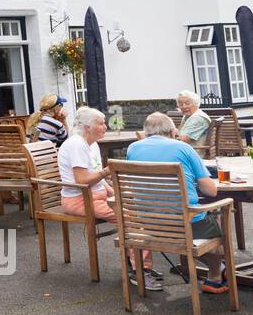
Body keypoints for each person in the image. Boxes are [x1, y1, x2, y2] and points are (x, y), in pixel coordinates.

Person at [126, 112, 229, 294]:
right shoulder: (183, 148)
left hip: (148, 224)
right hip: (185, 226)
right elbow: (210, 190)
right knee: (217, 223)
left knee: (192, 220)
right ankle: (215, 276)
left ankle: (216, 270)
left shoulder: (133, 149)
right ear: (173, 131)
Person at [58, 106, 156, 290]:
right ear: (87, 127)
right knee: (131, 218)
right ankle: (140, 271)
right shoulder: (76, 145)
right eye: (101, 123)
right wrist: (108, 170)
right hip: (81, 200)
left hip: (97, 196)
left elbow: (98, 178)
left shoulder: (92, 144)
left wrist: (114, 192)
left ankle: (135, 263)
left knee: (139, 210)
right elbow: (82, 180)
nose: (105, 127)